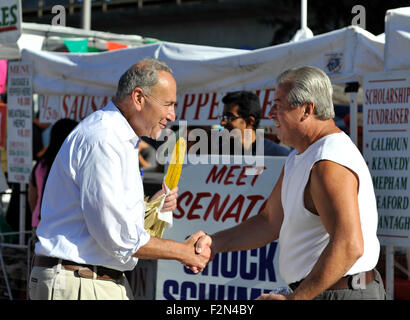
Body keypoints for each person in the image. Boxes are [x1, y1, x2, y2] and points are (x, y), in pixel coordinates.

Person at [195, 66, 385, 300]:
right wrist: (214, 243)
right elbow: (269, 221)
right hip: (326, 291)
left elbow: (349, 246)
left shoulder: (328, 161)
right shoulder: (301, 156)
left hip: (339, 293)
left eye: (278, 105)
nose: (271, 113)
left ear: (306, 109)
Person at [29, 58, 210, 300]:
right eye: (168, 104)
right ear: (138, 98)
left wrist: (150, 208)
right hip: (81, 282)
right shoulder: (104, 138)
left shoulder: (115, 137)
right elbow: (116, 235)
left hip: (87, 280)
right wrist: (183, 252)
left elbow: (100, 220)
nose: (172, 115)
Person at [28, 118, 78, 233]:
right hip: (65, 225)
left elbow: (32, 197)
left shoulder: (41, 164)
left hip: (40, 221)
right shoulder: (72, 165)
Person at [218, 90, 290, 156]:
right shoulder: (218, 155)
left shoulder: (278, 155)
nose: (222, 123)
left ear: (250, 121)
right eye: (223, 118)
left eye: (229, 118)